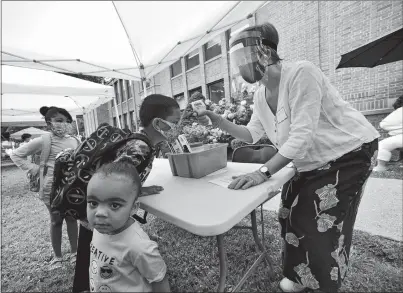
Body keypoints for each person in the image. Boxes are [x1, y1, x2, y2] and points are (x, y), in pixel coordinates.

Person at [196, 22, 379, 292]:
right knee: (286, 214)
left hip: (349, 152)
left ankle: (324, 284)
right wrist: (217, 120)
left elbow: (301, 136)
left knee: (315, 221)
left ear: (266, 52)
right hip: (309, 161)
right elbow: (251, 134)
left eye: (245, 57)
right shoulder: (260, 93)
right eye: (238, 61)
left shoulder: (301, 73)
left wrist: (262, 172)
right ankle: (300, 275)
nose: (242, 66)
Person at [73, 94, 181, 293]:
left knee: (95, 254)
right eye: (174, 122)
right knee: (93, 256)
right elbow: (113, 180)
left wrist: (138, 189)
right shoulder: (141, 147)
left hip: (98, 207)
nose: (177, 127)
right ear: (158, 123)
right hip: (103, 210)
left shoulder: (144, 143)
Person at [86, 157, 170, 292]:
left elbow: (158, 279)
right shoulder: (100, 228)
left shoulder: (139, 246)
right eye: (93, 203)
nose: (99, 213)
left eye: (114, 205)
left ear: (133, 208)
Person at [10, 106, 80, 268]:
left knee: (71, 218)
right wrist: (34, 169)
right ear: (49, 123)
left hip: (71, 186)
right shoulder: (44, 140)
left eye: (66, 121)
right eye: (58, 120)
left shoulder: (75, 140)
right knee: (56, 220)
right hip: (51, 188)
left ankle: (75, 252)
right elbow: (16, 154)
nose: (62, 124)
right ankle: (57, 256)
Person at [373, 95, 403, 172]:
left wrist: (396, 131)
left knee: (382, 145)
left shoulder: (400, 110)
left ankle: (381, 167)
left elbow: (384, 124)